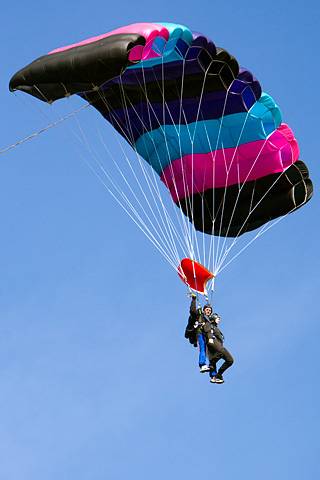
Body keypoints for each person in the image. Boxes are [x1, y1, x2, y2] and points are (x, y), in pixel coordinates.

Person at [185, 294, 234, 384]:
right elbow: (192, 311)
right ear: (204, 310)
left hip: (206, 336)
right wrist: (194, 300)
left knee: (212, 358)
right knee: (202, 349)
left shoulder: (209, 322)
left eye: (209, 310)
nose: (208, 311)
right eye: (207, 310)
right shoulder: (199, 315)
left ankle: (214, 375)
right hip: (200, 334)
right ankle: (202, 364)